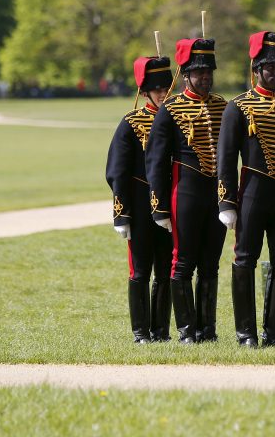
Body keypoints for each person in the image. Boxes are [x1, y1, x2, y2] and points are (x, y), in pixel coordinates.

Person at [217, 31, 275, 347]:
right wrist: (226, 202)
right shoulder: (238, 107)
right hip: (253, 192)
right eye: (270, 68)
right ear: (257, 70)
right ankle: (245, 333)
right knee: (245, 260)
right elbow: (225, 159)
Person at [145, 38, 227, 344]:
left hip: (215, 194)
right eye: (198, 72)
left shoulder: (222, 106)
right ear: (186, 74)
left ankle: (208, 329)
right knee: (182, 262)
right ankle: (186, 330)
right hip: (186, 193)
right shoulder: (171, 108)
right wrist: (159, 205)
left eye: (209, 72)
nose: (205, 77)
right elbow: (155, 160)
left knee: (210, 263)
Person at [105, 55, 173, 343]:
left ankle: (161, 330)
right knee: (141, 270)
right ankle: (140, 331)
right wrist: (121, 214)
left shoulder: (177, 118)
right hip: (141, 205)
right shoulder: (131, 123)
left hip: (171, 204)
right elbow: (117, 172)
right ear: (145, 92)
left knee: (167, 269)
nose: (163, 94)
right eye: (157, 89)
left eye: (167, 88)